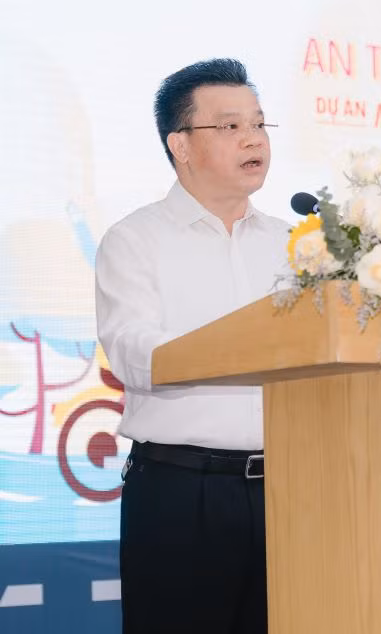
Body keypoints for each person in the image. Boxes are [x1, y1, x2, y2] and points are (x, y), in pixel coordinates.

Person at [95, 58, 290, 634]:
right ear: (180, 144)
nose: (253, 139)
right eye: (230, 127)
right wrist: (245, 349)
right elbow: (134, 353)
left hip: (294, 489)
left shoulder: (297, 244)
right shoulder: (135, 239)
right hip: (183, 493)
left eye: (258, 124)